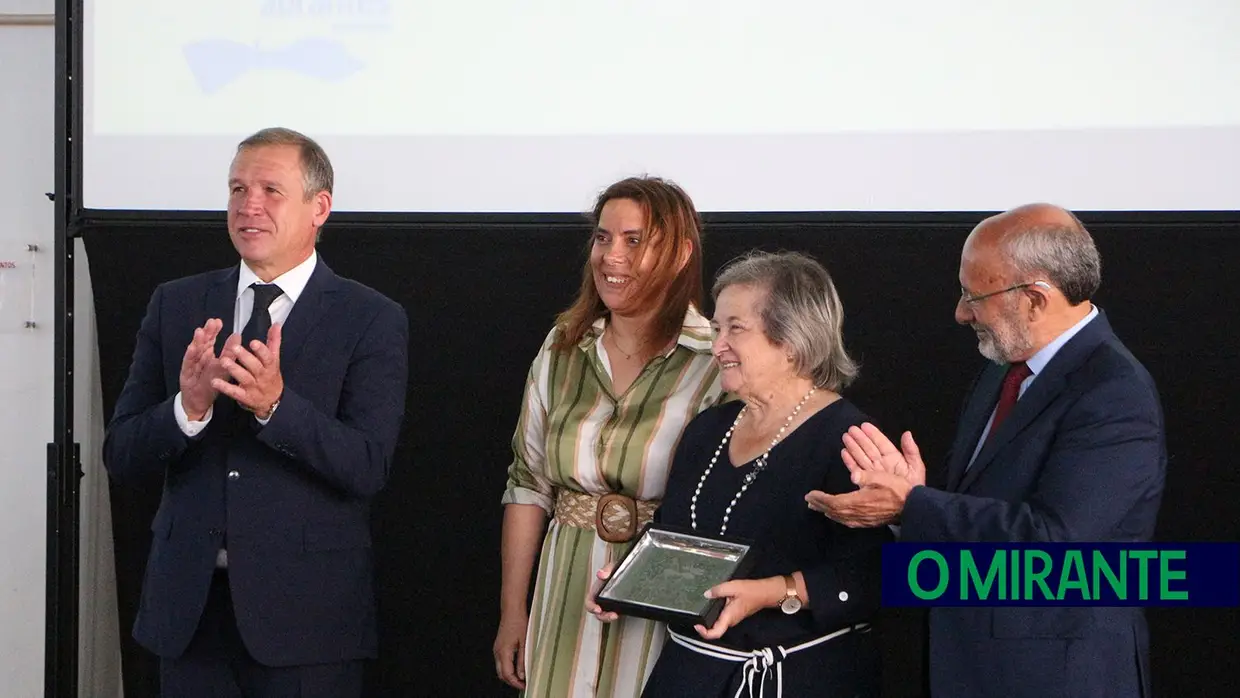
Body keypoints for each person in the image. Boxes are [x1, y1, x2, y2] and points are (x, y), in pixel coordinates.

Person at [809, 203, 1166, 698]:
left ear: (1036, 299)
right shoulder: (1003, 369)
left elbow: (1057, 548)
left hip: (1055, 678)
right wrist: (907, 500)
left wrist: (913, 505)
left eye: (974, 295)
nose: (960, 312)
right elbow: (983, 510)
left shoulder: (1113, 393)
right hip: (974, 666)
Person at [102, 127, 409, 698]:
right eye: (237, 188)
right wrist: (187, 408)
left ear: (319, 208)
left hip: (307, 624)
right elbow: (120, 455)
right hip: (188, 618)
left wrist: (275, 407)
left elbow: (368, 465)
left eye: (271, 189)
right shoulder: (177, 303)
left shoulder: (370, 317)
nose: (249, 205)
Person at [592, 251, 891, 697]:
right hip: (688, 676)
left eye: (735, 328)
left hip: (794, 681)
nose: (716, 346)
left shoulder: (852, 441)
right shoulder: (707, 429)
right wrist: (630, 581)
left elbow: (878, 577)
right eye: (716, 329)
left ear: (792, 340)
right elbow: (675, 533)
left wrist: (774, 591)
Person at [494, 176, 725, 697]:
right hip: (562, 599)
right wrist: (514, 612)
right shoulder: (562, 346)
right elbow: (527, 483)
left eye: (634, 240)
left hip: (659, 610)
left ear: (682, 252)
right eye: (602, 238)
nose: (610, 255)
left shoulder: (715, 358)